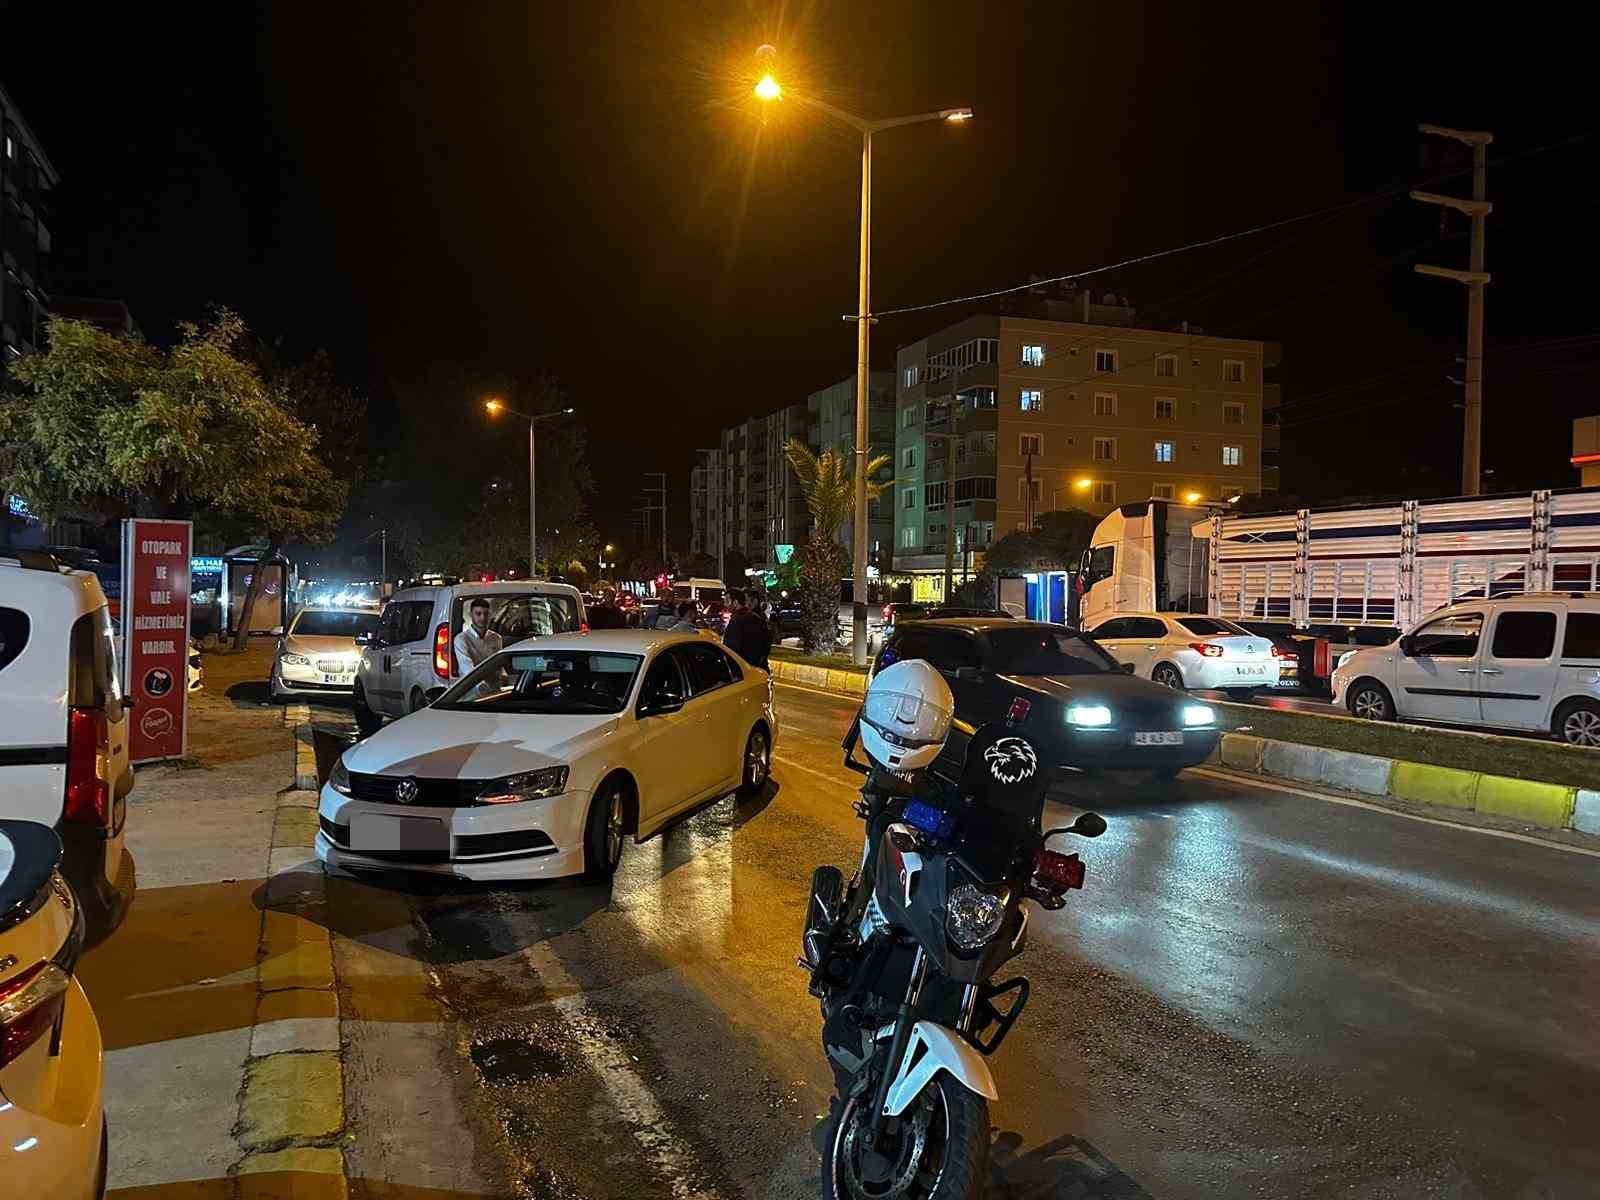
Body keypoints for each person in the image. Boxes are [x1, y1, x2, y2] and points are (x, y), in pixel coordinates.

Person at [722, 588, 772, 669]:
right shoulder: (757, 618)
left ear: (735, 602)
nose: (725, 604)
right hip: (758, 667)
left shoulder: (737, 620)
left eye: (727, 601)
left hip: (743, 669)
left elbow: (731, 649)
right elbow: (767, 643)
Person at [454, 597, 503, 674]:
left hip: (494, 680)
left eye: (486, 614)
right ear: (470, 615)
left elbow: (499, 665)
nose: (483, 618)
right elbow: (468, 671)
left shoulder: (496, 638)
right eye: (478, 614)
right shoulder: (461, 639)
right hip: (472, 681)